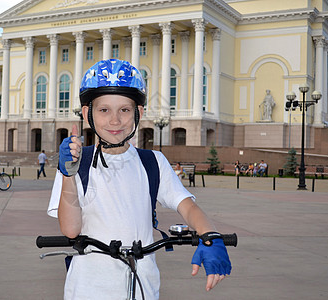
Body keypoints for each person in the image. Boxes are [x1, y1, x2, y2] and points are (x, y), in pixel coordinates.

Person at [48, 59, 231, 299]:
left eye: (124, 110)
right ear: (87, 113)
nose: (115, 121)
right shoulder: (75, 162)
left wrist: (211, 236)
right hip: (88, 287)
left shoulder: (152, 162)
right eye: (104, 110)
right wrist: (68, 174)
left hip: (143, 285)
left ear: (139, 113)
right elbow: (71, 230)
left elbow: (188, 207)